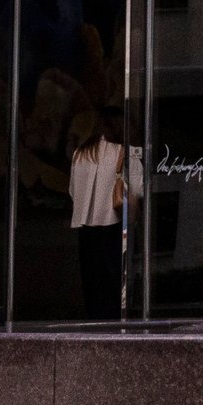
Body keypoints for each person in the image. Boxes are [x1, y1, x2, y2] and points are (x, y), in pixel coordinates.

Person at [67, 104, 139, 321]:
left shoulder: (80, 154)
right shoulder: (124, 152)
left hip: (86, 226)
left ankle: (95, 323)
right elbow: (138, 188)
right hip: (114, 223)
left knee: (92, 281)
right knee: (115, 281)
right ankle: (115, 324)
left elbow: (73, 191)